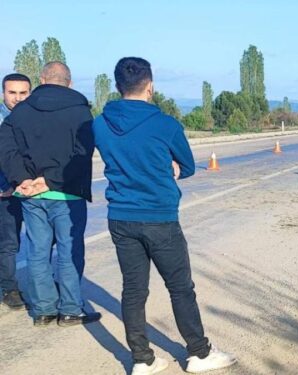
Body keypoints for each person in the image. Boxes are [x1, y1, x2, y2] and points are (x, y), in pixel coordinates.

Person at [93, 57, 236, 375]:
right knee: (180, 288)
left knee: (133, 289)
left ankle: (142, 360)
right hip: (159, 217)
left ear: (117, 87)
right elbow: (185, 165)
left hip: (120, 217)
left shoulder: (100, 124)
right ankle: (199, 353)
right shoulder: (166, 124)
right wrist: (169, 167)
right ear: (150, 86)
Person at [0, 62, 100, 326]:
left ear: (42, 80)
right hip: (67, 194)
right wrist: (52, 180)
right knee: (69, 251)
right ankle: (70, 309)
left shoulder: (20, 112)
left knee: (38, 251)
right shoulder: (80, 111)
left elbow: (5, 147)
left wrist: (22, 179)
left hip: (30, 195)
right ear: (69, 82)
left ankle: (43, 310)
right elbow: (83, 152)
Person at [0, 73, 31, 310]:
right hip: (4, 192)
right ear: (3, 94)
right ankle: (9, 288)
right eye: (12, 93)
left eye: (23, 93)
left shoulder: (33, 119)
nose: (17, 98)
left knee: (21, 242)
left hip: (26, 190)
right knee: (9, 243)